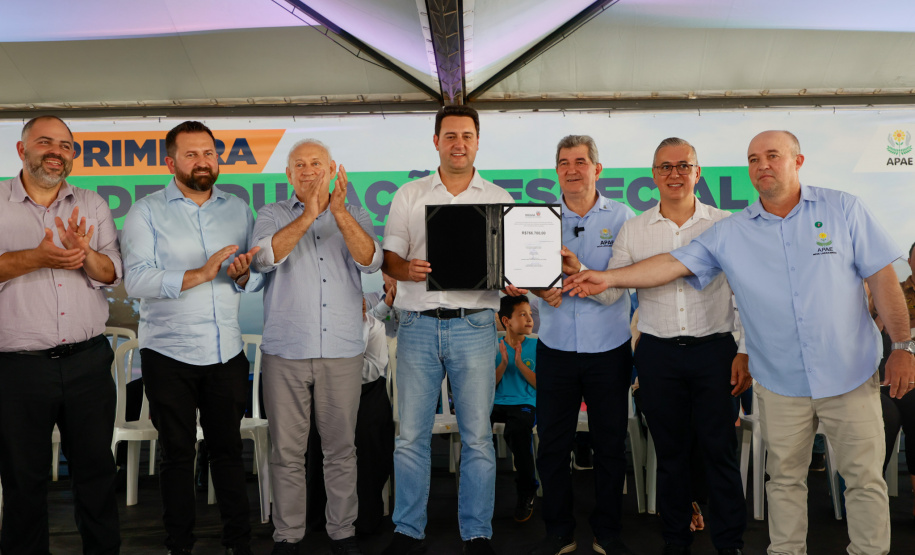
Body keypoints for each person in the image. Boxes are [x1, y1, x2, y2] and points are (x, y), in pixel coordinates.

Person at [565, 130, 915, 555]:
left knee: (863, 479)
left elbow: (882, 277)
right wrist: (607, 276)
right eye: (753, 159)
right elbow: (672, 264)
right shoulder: (734, 229)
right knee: (783, 481)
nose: (762, 165)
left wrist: (902, 346)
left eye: (772, 156)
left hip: (847, 372)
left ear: (798, 161)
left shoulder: (842, 208)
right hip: (779, 379)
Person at [587, 137, 748, 555]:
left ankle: (729, 544)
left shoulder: (726, 225)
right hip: (658, 355)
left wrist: (744, 350)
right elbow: (610, 292)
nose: (674, 174)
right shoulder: (634, 229)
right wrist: (580, 273)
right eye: (665, 167)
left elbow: (744, 296)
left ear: (698, 172)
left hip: (716, 351)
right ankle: (675, 542)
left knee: (721, 454)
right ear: (653, 174)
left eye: (683, 165)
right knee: (670, 457)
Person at [122, 120, 262, 555]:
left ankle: (238, 543)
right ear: (170, 161)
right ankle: (178, 545)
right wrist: (199, 274)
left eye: (209, 153)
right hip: (168, 351)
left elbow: (252, 279)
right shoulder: (146, 211)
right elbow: (137, 280)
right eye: (191, 154)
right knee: (177, 455)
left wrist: (241, 277)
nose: (203, 161)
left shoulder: (238, 208)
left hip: (226, 351)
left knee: (226, 452)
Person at [380, 105, 513, 555]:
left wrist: (512, 277)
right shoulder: (409, 195)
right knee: (411, 436)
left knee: (477, 437)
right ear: (435, 141)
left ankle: (476, 533)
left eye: (467, 135)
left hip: (475, 327)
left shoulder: (500, 198)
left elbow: (510, 267)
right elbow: (389, 259)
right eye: (450, 135)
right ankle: (407, 529)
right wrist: (407, 269)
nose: (459, 143)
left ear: (478, 142)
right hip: (417, 326)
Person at [251, 139, 382, 555]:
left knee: (341, 449)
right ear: (288, 175)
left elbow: (371, 261)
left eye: (316, 163)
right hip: (285, 351)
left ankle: (342, 531)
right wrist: (309, 213)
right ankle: (288, 534)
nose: (308, 171)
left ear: (332, 170)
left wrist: (336, 211)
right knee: (287, 451)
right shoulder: (271, 214)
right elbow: (264, 259)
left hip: (342, 351)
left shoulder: (354, 212)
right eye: (299, 165)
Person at [508, 135, 636, 555]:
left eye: (581, 161)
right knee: (553, 445)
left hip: (609, 349)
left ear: (597, 169)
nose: (572, 169)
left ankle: (608, 531)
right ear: (556, 170)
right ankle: (559, 531)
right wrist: (534, 290)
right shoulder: (538, 219)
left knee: (610, 445)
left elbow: (616, 291)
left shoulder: (622, 217)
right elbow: (525, 281)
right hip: (557, 347)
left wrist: (578, 269)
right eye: (564, 162)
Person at [0, 115, 121, 554]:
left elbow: (111, 273)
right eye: (45, 142)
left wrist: (84, 254)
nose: (56, 151)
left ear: (74, 153)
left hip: (88, 362)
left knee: (96, 476)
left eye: (65, 145)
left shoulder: (92, 203)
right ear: (21, 150)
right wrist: (35, 257)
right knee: (22, 481)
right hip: (17, 369)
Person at [306, 298, 396, 537]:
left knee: (369, 438)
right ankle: (320, 518)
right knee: (318, 439)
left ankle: (364, 518)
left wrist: (340, 365)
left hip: (367, 393)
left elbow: (374, 369)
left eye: (362, 304)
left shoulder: (375, 327)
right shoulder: (321, 328)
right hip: (328, 392)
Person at [491, 295, 538, 523]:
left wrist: (519, 364)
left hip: (525, 403)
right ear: (506, 321)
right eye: (522, 314)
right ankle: (483, 488)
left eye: (530, 314)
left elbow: (542, 384)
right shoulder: (495, 344)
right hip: (497, 402)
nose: (530, 319)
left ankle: (527, 489)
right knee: (477, 427)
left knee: (518, 430)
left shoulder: (538, 345)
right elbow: (491, 384)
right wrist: (503, 362)